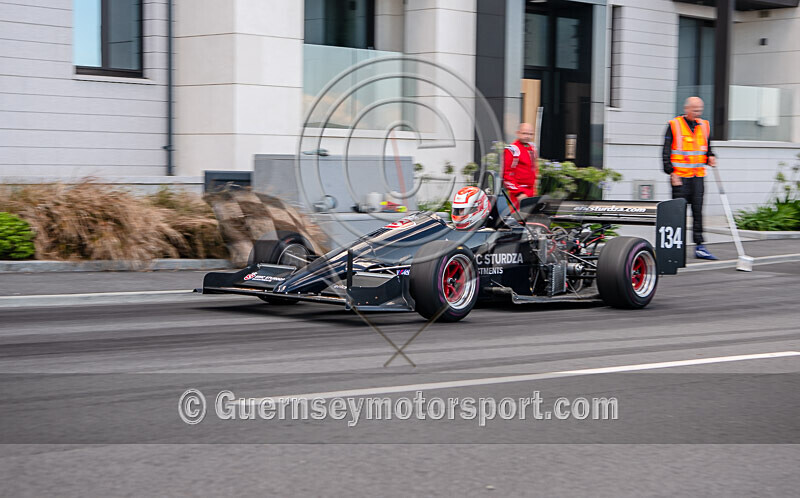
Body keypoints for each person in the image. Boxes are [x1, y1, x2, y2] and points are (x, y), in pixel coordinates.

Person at [663, 96, 718, 260]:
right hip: (679, 178)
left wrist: (711, 156)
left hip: (698, 177)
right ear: (686, 109)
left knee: (698, 212)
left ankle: (700, 246)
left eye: (700, 110)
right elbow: (666, 152)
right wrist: (671, 172)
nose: (697, 113)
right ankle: (674, 248)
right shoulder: (674, 126)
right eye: (694, 110)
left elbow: (708, 149)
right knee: (677, 214)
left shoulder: (705, 126)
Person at [503, 123, 538, 208]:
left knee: (531, 219)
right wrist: (518, 193)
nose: (527, 136)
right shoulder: (512, 149)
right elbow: (506, 175)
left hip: (531, 191)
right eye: (524, 133)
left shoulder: (532, 148)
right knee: (518, 219)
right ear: (518, 133)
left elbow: (534, 169)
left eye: (530, 134)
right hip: (518, 193)